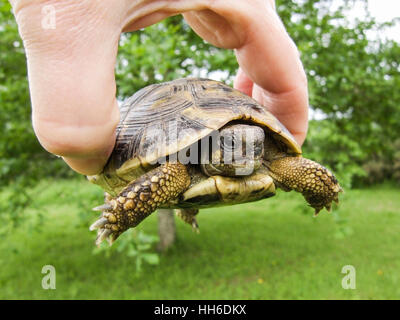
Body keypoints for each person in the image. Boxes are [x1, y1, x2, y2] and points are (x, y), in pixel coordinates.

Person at [9, 0, 308, 175]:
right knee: (173, 175)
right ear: (212, 147)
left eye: (253, 145)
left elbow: (293, 167)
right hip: (166, 151)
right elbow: (170, 172)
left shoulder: (264, 161)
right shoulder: (177, 169)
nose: (247, 153)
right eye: (232, 145)